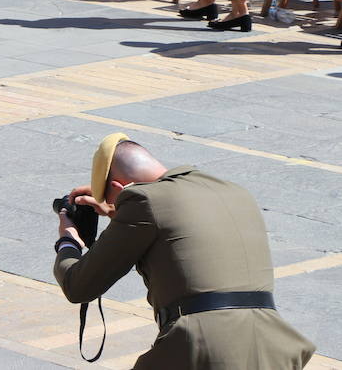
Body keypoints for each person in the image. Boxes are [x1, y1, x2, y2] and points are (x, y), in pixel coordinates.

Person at [54, 133, 314, 368]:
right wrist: (119, 214)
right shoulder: (236, 192)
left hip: (202, 348)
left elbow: (79, 287)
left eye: (113, 199)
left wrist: (69, 241)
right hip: (273, 347)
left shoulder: (143, 201)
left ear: (120, 188)